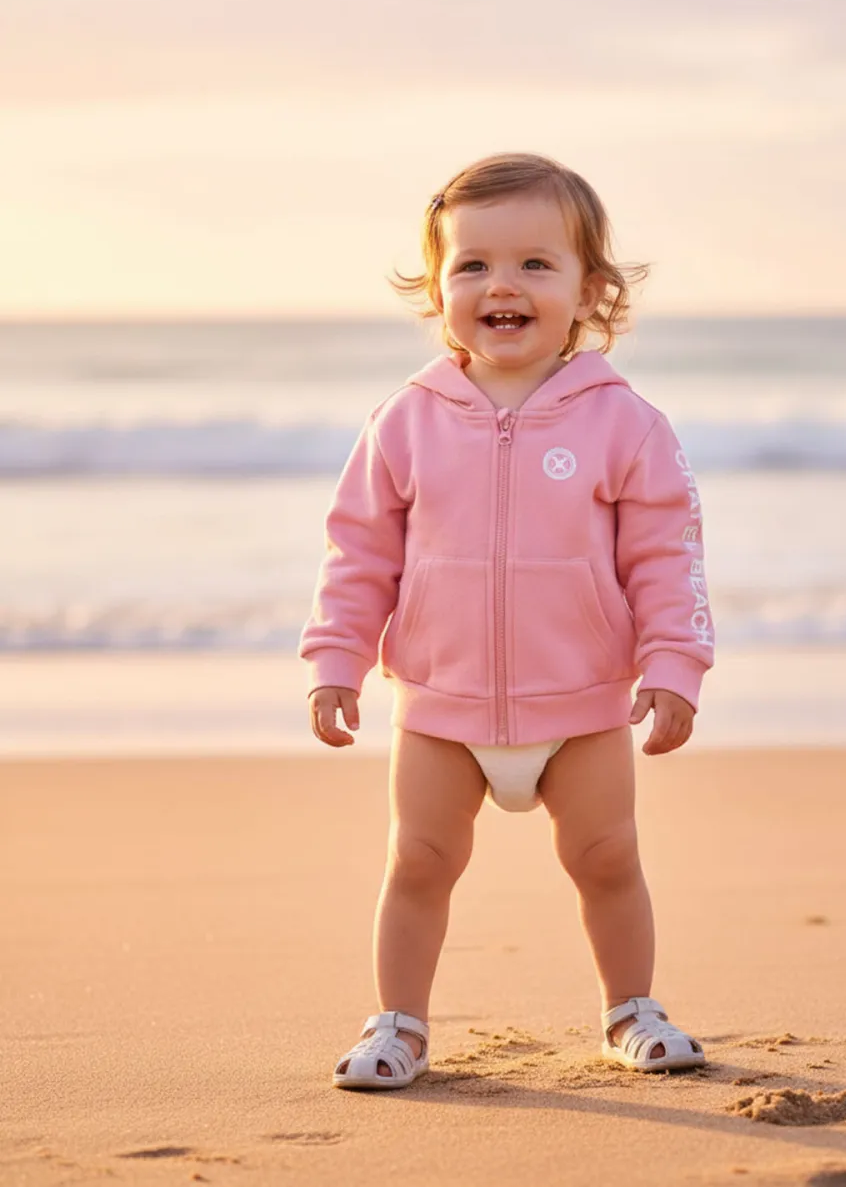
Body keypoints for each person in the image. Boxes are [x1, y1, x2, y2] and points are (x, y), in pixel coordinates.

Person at [299, 152, 715, 1090]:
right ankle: (400, 1024)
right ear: (438, 289)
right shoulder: (406, 420)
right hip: (442, 706)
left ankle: (631, 1009)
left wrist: (675, 667)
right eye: (473, 265)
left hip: (583, 705)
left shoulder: (624, 423)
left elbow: (666, 554)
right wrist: (336, 658)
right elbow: (359, 549)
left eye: (536, 264)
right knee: (418, 862)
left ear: (589, 289)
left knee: (608, 860)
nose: (503, 286)